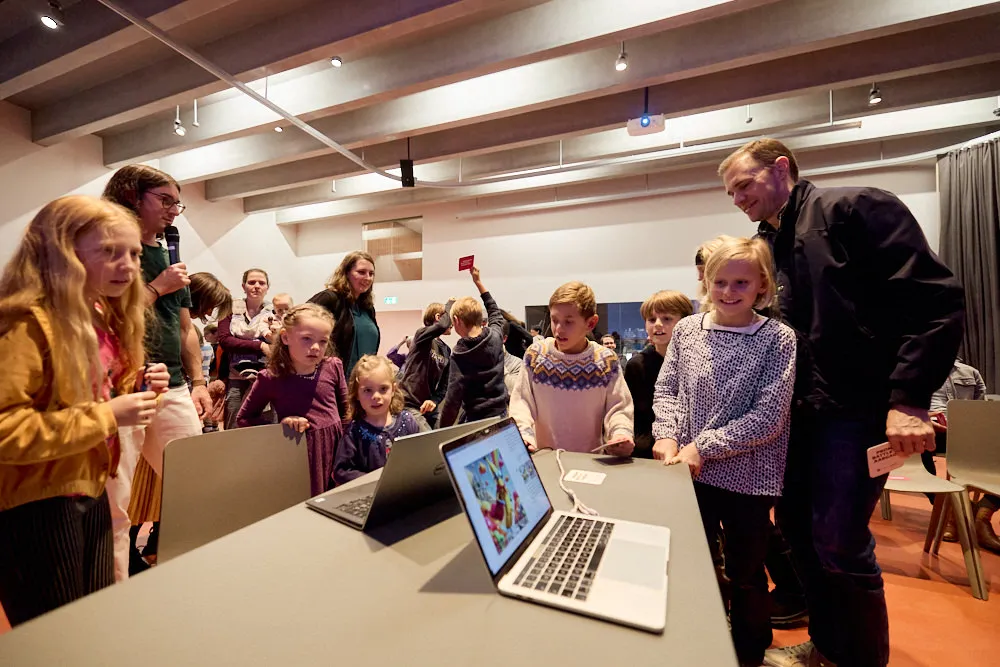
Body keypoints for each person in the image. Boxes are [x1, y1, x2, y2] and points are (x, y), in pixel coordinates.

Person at [718, 138, 964, 667]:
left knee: (839, 541)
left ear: (781, 168)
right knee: (799, 533)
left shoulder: (855, 208)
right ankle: (830, 647)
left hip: (855, 411)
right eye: (730, 192)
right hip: (798, 414)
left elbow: (935, 301)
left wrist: (909, 398)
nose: (737, 198)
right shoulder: (763, 243)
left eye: (744, 185)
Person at [0, 196, 168, 622]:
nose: (129, 266)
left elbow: (93, 397)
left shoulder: (97, 315)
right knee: (54, 637)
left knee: (87, 623)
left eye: (133, 253)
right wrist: (110, 415)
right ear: (61, 253)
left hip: (89, 489)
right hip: (36, 503)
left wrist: (141, 388)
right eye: (109, 252)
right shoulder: (25, 323)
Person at [653, 237, 796, 667]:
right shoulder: (687, 331)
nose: (729, 292)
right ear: (706, 283)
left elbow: (767, 417)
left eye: (741, 282)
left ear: (762, 286)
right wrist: (667, 435)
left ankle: (747, 652)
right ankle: (699, 642)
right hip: (688, 473)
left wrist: (703, 446)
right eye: (720, 281)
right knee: (691, 565)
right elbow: (669, 391)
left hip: (748, 480)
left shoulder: (778, 339)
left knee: (746, 573)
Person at [102, 164, 211, 576]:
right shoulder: (109, 251)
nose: (173, 211)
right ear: (131, 196)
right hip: (123, 387)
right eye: (164, 200)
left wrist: (198, 381)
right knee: (118, 501)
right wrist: (155, 287)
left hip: (175, 385)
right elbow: (104, 318)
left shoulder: (169, 256)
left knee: (198, 484)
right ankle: (115, 588)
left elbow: (184, 328)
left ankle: (193, 572)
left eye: (176, 203)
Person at [510, 281, 634, 456]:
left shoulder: (605, 360)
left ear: (590, 323)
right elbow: (521, 402)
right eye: (554, 320)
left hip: (589, 463)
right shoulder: (536, 354)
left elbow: (618, 407)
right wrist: (524, 435)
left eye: (569, 322)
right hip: (544, 459)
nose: (558, 329)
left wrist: (620, 434)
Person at [237, 304, 349, 497]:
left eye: (323, 341)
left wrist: (348, 450)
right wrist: (280, 425)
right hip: (299, 454)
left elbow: (346, 411)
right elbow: (244, 418)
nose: (315, 347)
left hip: (337, 450)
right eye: (306, 339)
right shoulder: (271, 377)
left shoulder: (333, 366)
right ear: (285, 337)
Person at [923, 359, 998, 552]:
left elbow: (981, 409)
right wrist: (923, 418)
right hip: (932, 430)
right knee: (917, 444)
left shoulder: (971, 372)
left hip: (967, 433)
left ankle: (983, 514)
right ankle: (952, 512)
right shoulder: (917, 369)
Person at [624, 290, 692, 459]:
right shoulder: (637, 365)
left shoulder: (696, 363)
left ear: (685, 322)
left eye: (667, 319)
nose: (658, 324)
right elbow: (637, 420)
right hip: (650, 452)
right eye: (652, 319)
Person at [438, 268, 509, 428]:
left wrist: (442, 430)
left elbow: (452, 400)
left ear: (456, 321)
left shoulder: (460, 353)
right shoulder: (496, 336)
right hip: (501, 415)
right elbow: (494, 311)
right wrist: (478, 282)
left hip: (476, 421)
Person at [333, 355, 420, 485]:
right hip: (370, 497)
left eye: (383, 389)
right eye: (368, 390)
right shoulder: (354, 430)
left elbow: (419, 458)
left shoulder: (407, 421)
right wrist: (375, 480)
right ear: (356, 394)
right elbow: (341, 472)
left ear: (393, 390)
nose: (376, 396)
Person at [308, 251, 380, 379]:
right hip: (332, 379)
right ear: (346, 273)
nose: (368, 278)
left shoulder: (368, 308)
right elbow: (299, 323)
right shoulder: (329, 299)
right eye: (361, 272)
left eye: (371, 273)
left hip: (362, 382)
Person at [217, 268, 274, 430]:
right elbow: (226, 341)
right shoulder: (229, 310)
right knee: (234, 426)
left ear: (267, 288)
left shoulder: (274, 313)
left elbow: (279, 343)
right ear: (243, 286)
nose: (256, 286)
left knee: (265, 426)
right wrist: (261, 345)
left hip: (266, 378)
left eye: (261, 283)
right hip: (236, 378)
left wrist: (241, 343)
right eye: (251, 282)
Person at [398, 300, 455, 429]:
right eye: (449, 317)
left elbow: (444, 386)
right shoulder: (421, 336)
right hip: (409, 404)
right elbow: (441, 326)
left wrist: (434, 401)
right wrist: (450, 305)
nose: (452, 323)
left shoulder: (446, 350)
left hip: (428, 408)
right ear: (438, 318)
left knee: (444, 438)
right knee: (429, 443)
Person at [501, 320, 524, 401]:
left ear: (504, 338)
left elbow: (515, 393)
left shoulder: (517, 363)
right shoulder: (477, 360)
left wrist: (497, 362)